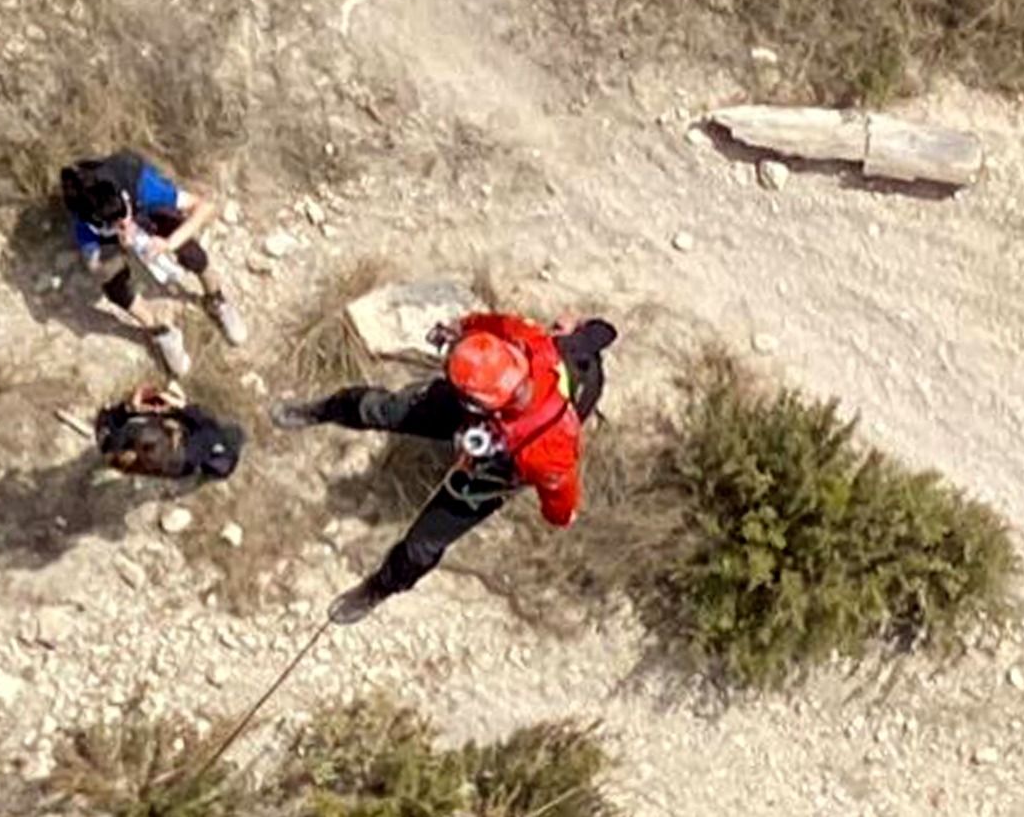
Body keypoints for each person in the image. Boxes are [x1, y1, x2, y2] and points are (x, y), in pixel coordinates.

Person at [270, 312, 618, 625]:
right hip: (489, 414)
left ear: (476, 402)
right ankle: (319, 411)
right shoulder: (526, 341)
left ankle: (378, 589)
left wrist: (553, 503)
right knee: (380, 408)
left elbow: (560, 506)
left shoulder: (550, 448)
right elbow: (490, 325)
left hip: (500, 465)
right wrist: (460, 328)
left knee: (422, 546)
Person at [61, 150, 247, 376]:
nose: (126, 225)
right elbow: (96, 268)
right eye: (118, 224)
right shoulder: (85, 223)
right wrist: (121, 248)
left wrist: (169, 243)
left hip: (146, 212)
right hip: (112, 233)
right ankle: (160, 331)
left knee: (191, 253)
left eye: (125, 216)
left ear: (125, 200)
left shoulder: (140, 185)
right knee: (114, 286)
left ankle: (216, 299)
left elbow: (204, 207)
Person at [95, 383, 244, 481]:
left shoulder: (119, 446)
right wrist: (177, 407)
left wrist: (127, 409)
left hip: (169, 461)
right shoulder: (200, 450)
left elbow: (106, 424)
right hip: (183, 466)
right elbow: (207, 428)